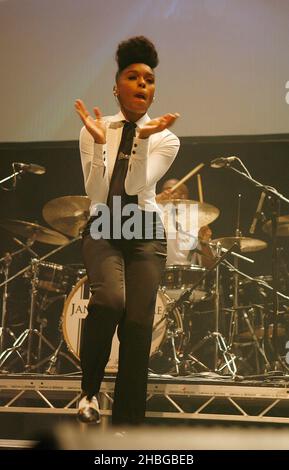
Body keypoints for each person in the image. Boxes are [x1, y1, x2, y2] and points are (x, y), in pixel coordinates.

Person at [74, 36, 180, 426]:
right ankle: (88, 391)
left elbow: (136, 187)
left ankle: (128, 425)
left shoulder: (166, 138)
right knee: (108, 302)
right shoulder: (94, 129)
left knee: (138, 327)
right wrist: (103, 147)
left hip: (144, 229)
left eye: (149, 79)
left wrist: (141, 141)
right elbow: (96, 192)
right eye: (133, 77)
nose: (142, 85)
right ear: (116, 86)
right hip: (104, 223)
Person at [156, 179, 215, 268]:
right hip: (158, 274)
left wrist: (204, 242)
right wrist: (155, 200)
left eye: (171, 190)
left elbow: (210, 265)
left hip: (189, 277)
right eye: (163, 191)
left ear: (183, 196)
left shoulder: (198, 223)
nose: (166, 194)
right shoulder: (155, 217)